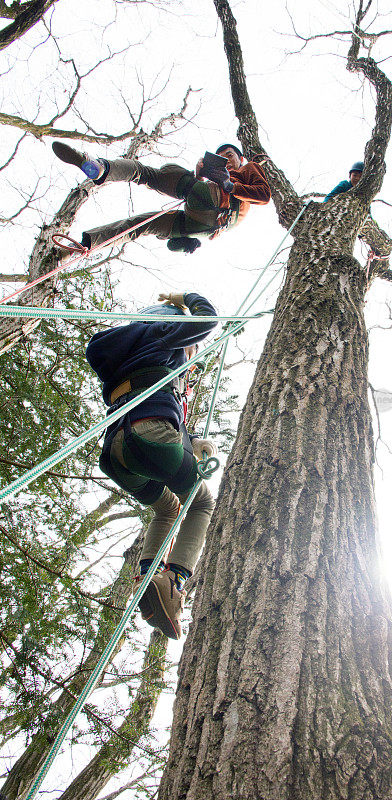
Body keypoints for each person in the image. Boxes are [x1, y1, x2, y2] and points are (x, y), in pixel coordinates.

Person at [86, 290, 218, 639]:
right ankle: (173, 581)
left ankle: (150, 577)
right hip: (148, 439)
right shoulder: (161, 332)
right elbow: (207, 321)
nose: (190, 354)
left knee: (168, 508)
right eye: (190, 347)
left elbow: (148, 398)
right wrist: (186, 297)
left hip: (117, 453)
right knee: (203, 503)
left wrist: (193, 443)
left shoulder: (130, 349)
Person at [52, 142, 271, 254]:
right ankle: (87, 245)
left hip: (218, 206)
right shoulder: (222, 178)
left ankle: (102, 168)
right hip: (205, 225)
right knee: (139, 225)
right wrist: (200, 174)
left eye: (230, 155)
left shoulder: (248, 169)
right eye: (221, 157)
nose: (226, 159)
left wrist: (229, 184)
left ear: (241, 158)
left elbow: (264, 195)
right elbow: (201, 194)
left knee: (146, 174)